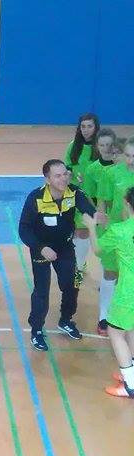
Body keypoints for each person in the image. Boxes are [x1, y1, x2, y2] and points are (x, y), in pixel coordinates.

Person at [17, 159, 99, 351]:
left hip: (65, 247)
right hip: (41, 249)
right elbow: (24, 229)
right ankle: (36, 330)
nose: (63, 179)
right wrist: (41, 248)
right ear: (47, 179)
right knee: (41, 290)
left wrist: (97, 217)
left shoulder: (74, 192)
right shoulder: (35, 198)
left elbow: (89, 210)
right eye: (57, 176)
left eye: (65, 174)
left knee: (73, 283)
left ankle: (66, 319)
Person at [87, 187, 134, 398]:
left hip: (128, 292)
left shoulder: (120, 230)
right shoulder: (119, 229)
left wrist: (91, 227)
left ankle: (130, 385)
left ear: (127, 204)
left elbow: (98, 249)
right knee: (131, 329)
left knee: (115, 332)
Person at [96, 138, 134, 336]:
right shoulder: (111, 173)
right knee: (110, 273)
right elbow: (102, 201)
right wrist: (103, 224)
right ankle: (104, 316)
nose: (130, 160)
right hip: (116, 231)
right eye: (127, 155)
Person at [76, 128, 116, 289]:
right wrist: (99, 216)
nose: (106, 148)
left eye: (109, 145)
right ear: (97, 147)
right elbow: (89, 195)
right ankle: (107, 283)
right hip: (104, 220)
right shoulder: (92, 169)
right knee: (106, 256)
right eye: (102, 145)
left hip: (123, 219)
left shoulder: (123, 168)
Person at [63, 113, 99, 285]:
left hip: (95, 197)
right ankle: (78, 265)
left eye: (89, 126)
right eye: (83, 126)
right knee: (78, 231)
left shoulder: (100, 147)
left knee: (86, 232)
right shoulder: (73, 146)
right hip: (76, 195)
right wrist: (70, 177)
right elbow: (67, 168)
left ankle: (80, 265)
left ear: (96, 127)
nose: (86, 130)